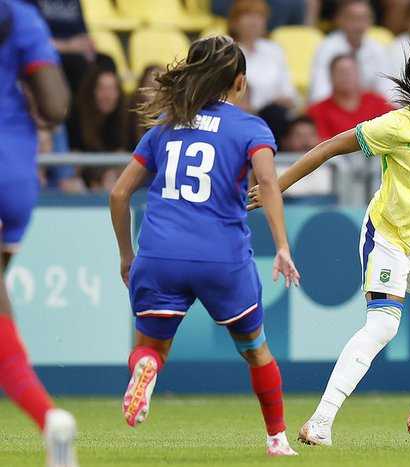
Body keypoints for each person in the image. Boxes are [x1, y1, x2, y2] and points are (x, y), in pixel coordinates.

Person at [249, 37, 410, 446]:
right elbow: (329, 147)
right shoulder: (396, 126)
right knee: (383, 326)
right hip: (387, 234)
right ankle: (319, 422)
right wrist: (276, 186)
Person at [109, 35, 300, 457]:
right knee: (255, 350)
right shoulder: (250, 127)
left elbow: (120, 194)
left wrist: (127, 255)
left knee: (149, 350)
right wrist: (283, 245)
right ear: (239, 83)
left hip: (160, 255)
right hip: (221, 258)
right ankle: (277, 438)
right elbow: (267, 182)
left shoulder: (164, 128)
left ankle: (146, 370)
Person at [0, 1, 76, 466]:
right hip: (13, 172)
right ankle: (49, 422)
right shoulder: (20, 15)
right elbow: (55, 107)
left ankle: (49, 418)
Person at [309, 0, 392, 103]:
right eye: (353, 19)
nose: (359, 25)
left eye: (364, 19)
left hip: (368, 109)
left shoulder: (377, 49)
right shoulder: (326, 48)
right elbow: (319, 94)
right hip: (336, 108)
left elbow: (387, 92)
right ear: (339, 20)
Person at [228, 0, 298, 113]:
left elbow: (289, 92)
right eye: (248, 16)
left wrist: (285, 100)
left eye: (259, 16)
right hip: (241, 113)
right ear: (234, 22)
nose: (254, 22)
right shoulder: (227, 53)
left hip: (274, 113)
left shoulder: (275, 50)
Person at [307, 54, 393, 140]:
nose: (346, 76)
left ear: (359, 74)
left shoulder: (379, 104)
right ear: (330, 76)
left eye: (350, 71)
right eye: (341, 72)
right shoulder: (317, 111)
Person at [127, 64, 163, 150]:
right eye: (151, 86)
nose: (156, 92)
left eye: (161, 87)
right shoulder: (128, 117)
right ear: (141, 88)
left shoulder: (174, 119)